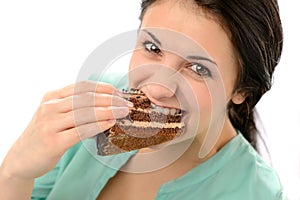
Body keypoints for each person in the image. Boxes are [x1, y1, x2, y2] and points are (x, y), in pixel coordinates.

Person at [0, 0, 286, 199]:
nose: (159, 88)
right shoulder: (97, 101)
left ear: (242, 91)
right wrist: (15, 173)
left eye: (198, 68)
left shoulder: (255, 193)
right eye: (152, 47)